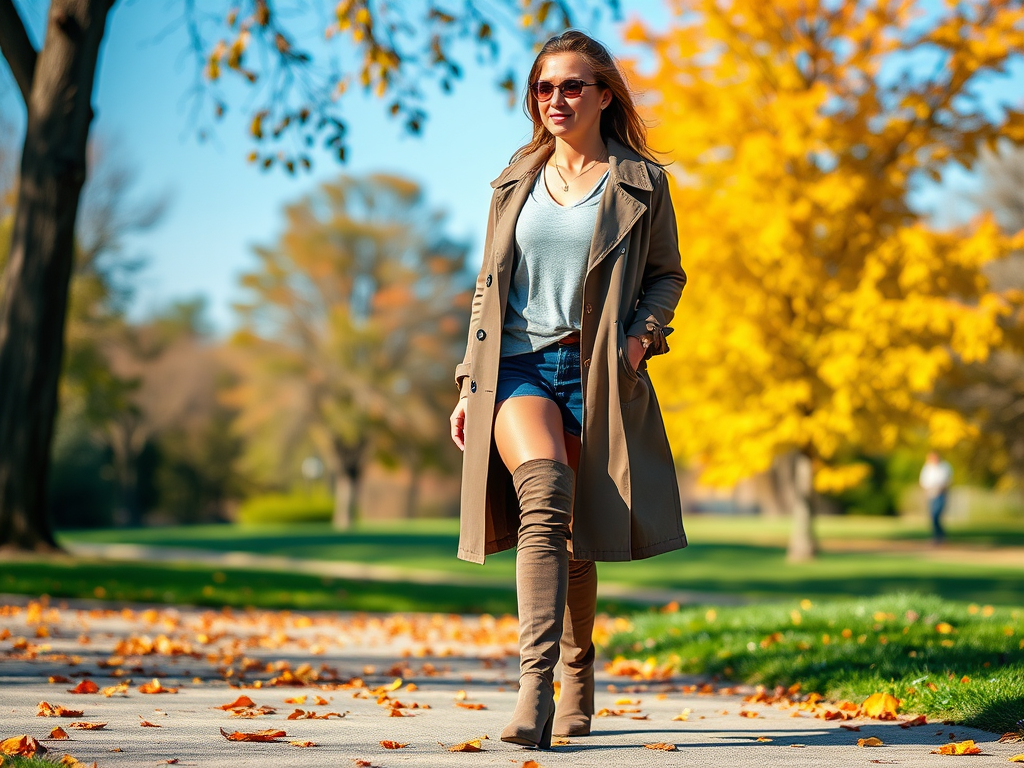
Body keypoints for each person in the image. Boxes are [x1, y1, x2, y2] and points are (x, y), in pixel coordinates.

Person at [448, 30, 687, 750]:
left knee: (576, 535)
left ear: (604, 95)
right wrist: (467, 384)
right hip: (517, 367)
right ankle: (534, 691)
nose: (556, 99)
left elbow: (667, 275)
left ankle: (579, 667)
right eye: (544, 88)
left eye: (572, 85)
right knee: (544, 497)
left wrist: (641, 337)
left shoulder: (640, 182)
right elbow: (488, 290)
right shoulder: (513, 181)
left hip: (597, 372)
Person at [919, 451, 953, 544]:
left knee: (937, 515)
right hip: (931, 495)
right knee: (933, 516)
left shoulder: (945, 467)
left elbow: (948, 480)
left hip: (941, 494)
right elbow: (923, 481)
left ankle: (940, 536)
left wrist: (941, 488)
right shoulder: (927, 468)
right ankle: (937, 537)